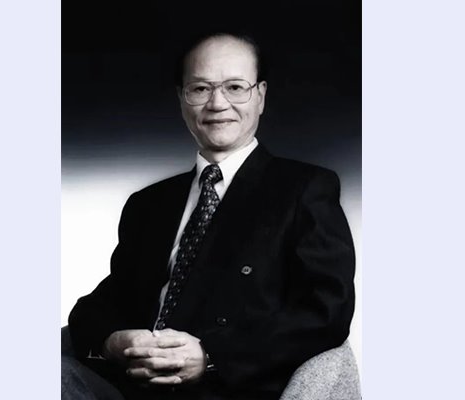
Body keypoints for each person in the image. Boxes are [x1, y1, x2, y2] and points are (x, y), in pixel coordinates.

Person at [64, 32, 356, 400]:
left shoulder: (304, 189)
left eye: (235, 87)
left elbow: (326, 310)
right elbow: (104, 303)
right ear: (182, 99)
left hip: (234, 387)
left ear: (260, 95)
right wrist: (113, 342)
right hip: (137, 387)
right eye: (200, 89)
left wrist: (211, 356)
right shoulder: (148, 203)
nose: (218, 103)